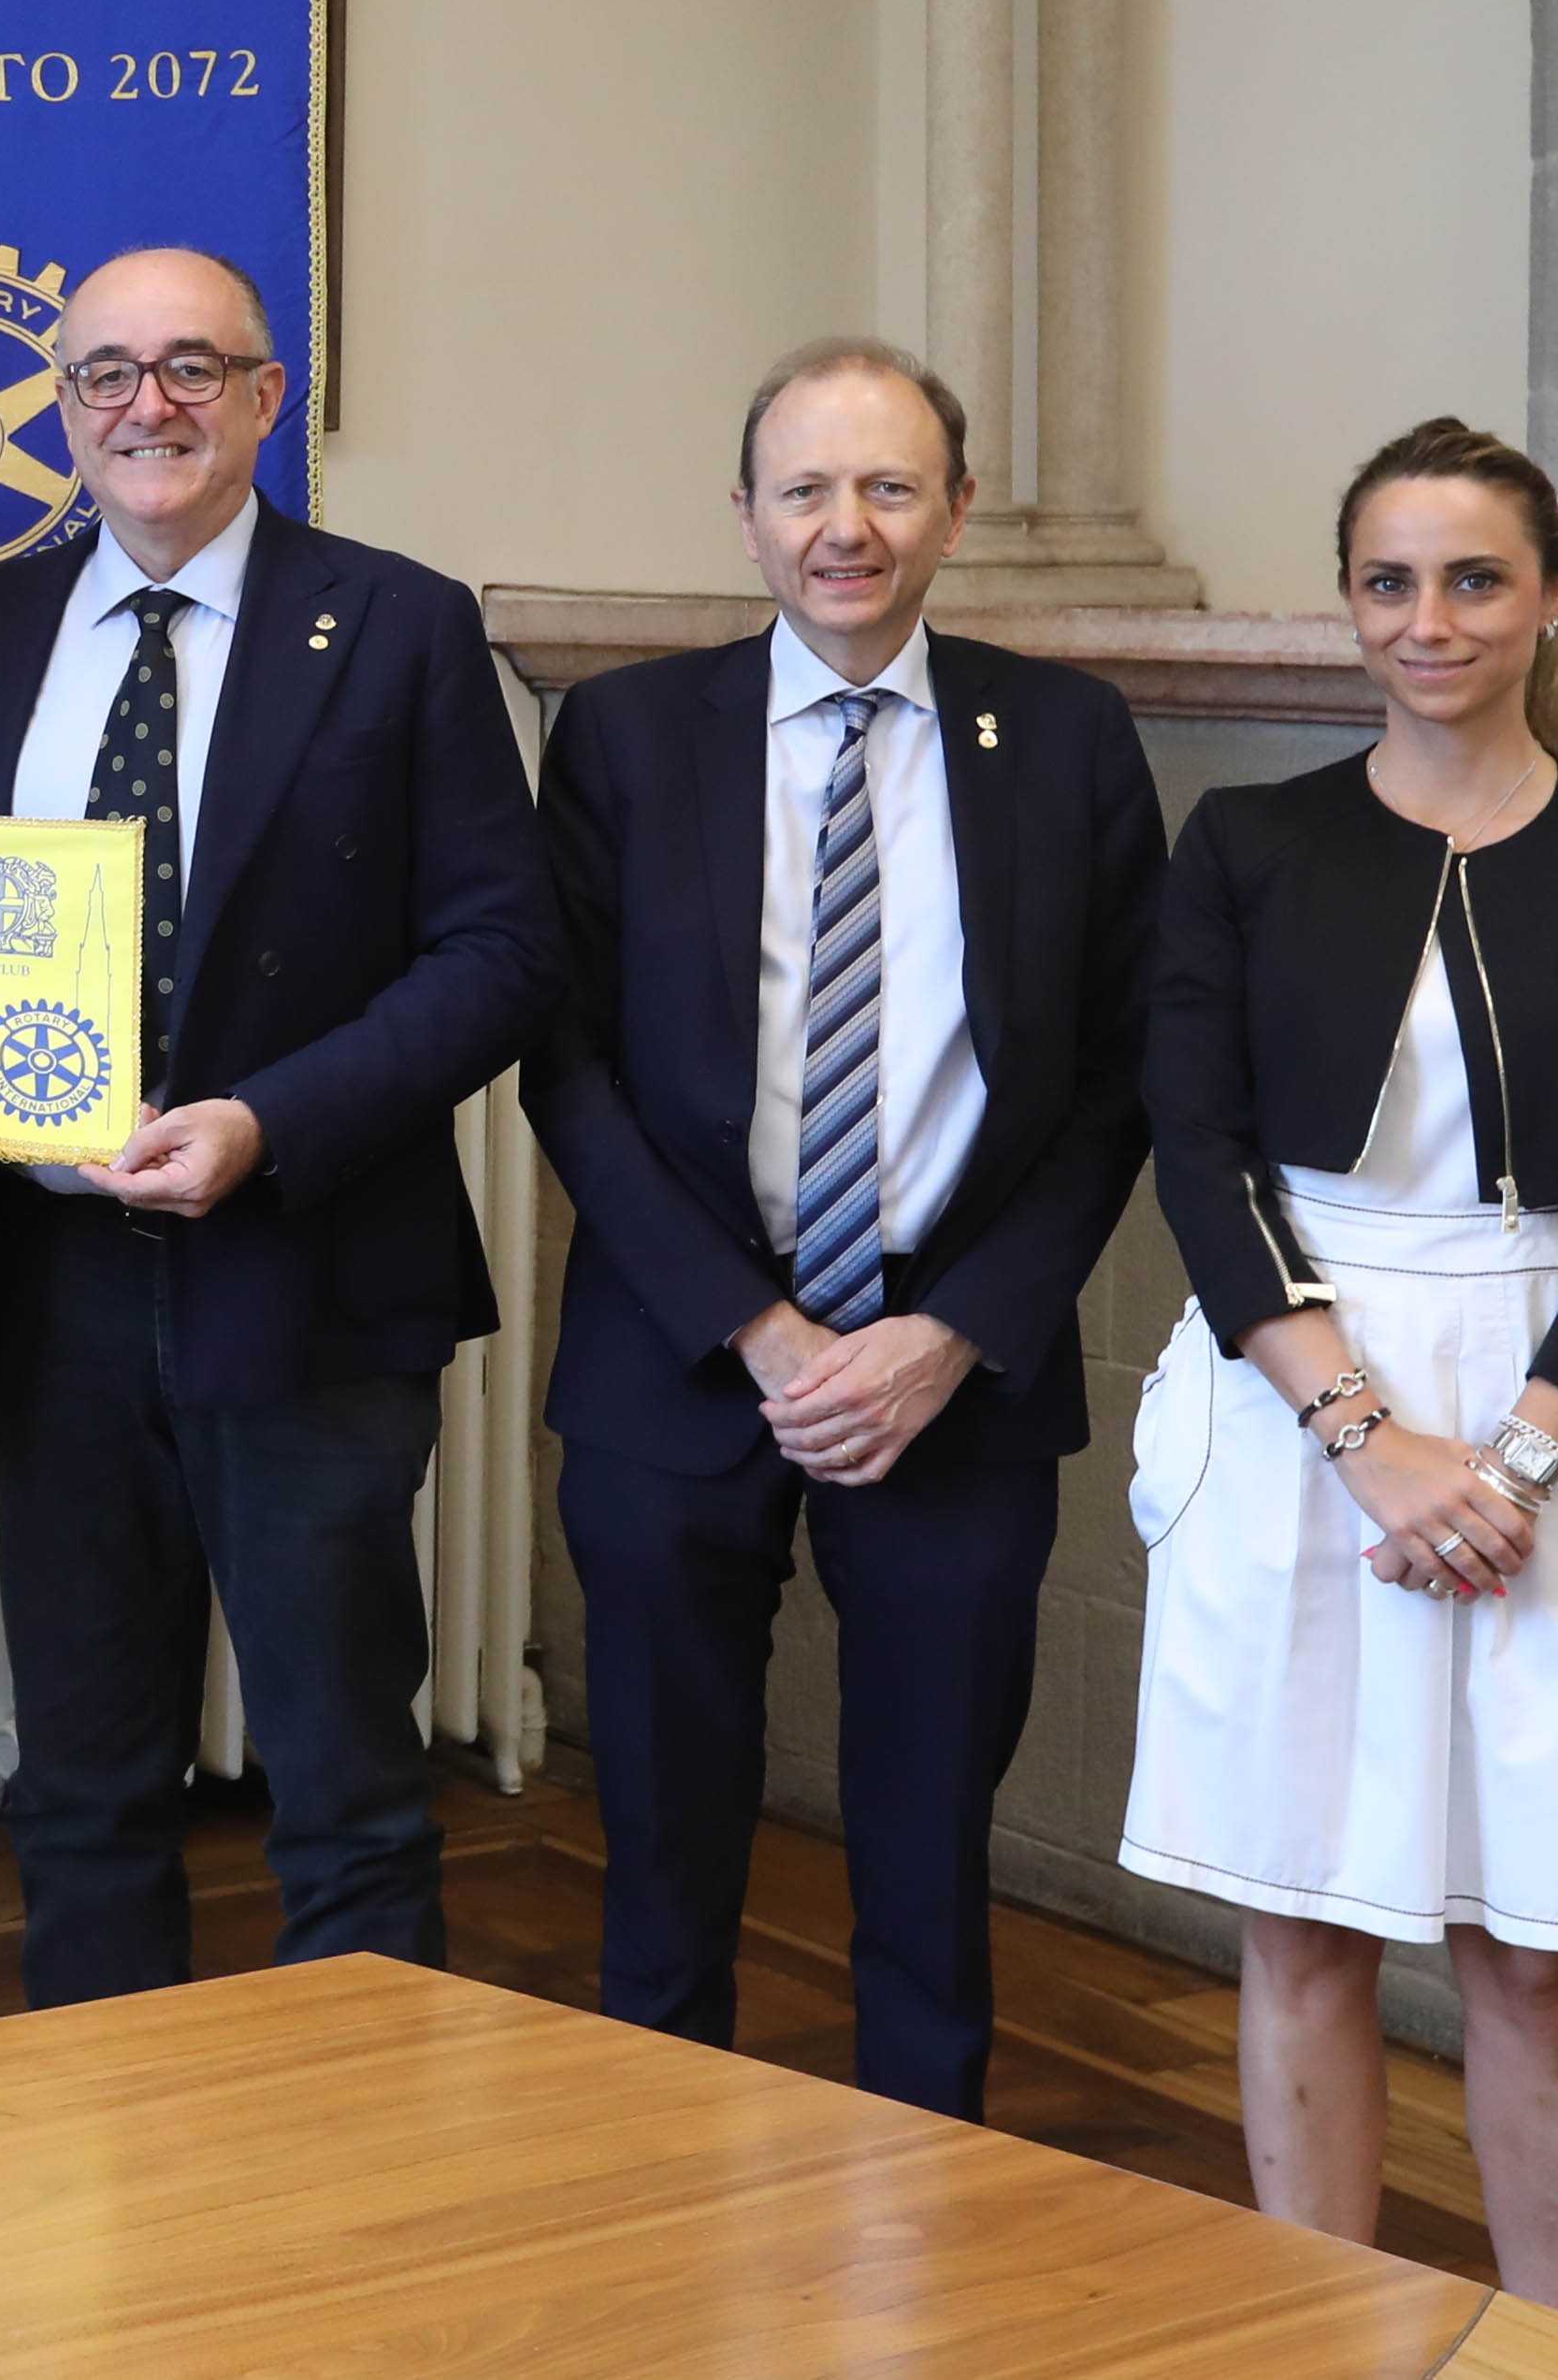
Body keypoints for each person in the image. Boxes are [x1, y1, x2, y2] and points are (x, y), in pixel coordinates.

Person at [0, 244, 556, 1998]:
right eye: (105, 372)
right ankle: (109, 2154)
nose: (145, 405)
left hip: (304, 1267)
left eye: (190, 367)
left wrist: (266, 1121)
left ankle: (347, 2153)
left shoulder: (397, 623)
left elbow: (502, 955)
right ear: (61, 407)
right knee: (81, 1792)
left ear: (263, 395)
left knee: (345, 1792)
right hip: (53, 1289)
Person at [1126, 417, 1558, 2311]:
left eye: (1475, 578)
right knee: (1303, 1923)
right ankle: (1322, 2337)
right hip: (1295, 1402)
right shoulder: (1247, 843)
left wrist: (1519, 1456)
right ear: (1346, 601)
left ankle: (1549, 2354)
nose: (1429, 619)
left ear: (1550, 591)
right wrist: (1364, 1436)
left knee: (1540, 1952)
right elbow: (1197, 1150)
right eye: (1388, 581)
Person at [517, 339, 1161, 2115]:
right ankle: (664, 2164)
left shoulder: (1065, 738)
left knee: (930, 1843)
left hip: (952, 1373)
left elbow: (1122, 1074)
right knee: (661, 1834)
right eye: (804, 489)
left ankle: (921, 2202)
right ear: (744, 517)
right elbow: (561, 1060)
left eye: (888, 486)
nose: (845, 527)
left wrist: (947, 1335)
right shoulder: (628, 736)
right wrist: (758, 1326)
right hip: (681, 1361)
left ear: (956, 511)